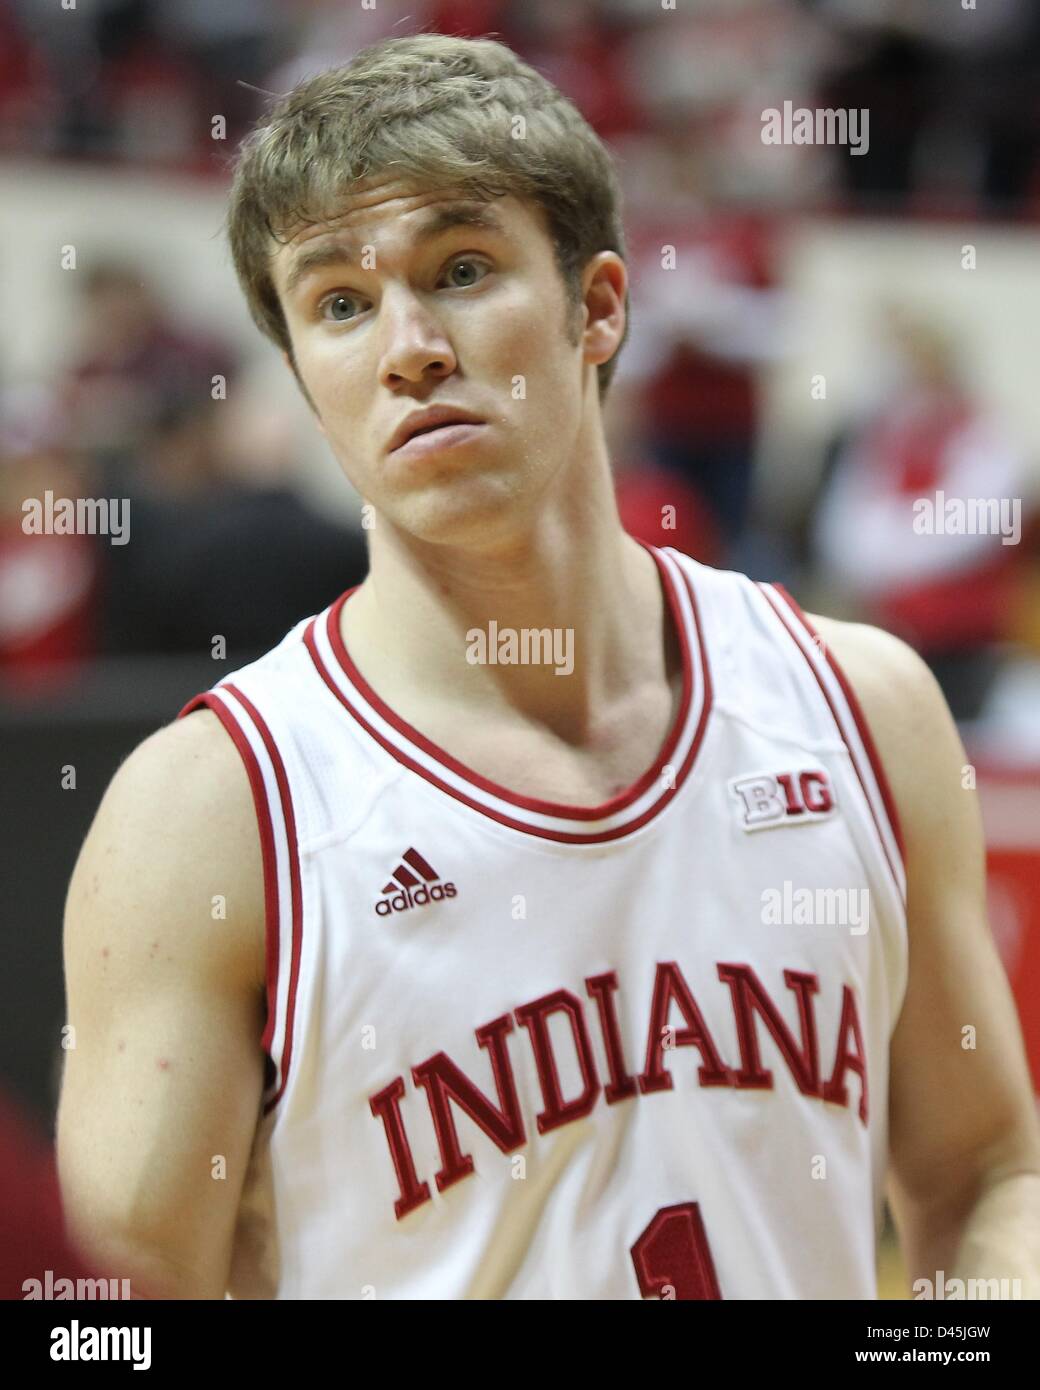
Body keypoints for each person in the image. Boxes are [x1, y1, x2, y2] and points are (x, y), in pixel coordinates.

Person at [56, 34, 1040, 1300]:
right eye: (339, 304)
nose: (407, 345)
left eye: (459, 270)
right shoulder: (211, 813)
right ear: (303, 374)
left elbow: (984, 1172)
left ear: (598, 306)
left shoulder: (858, 707)